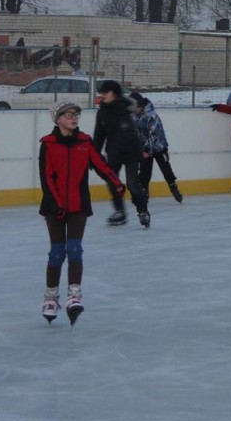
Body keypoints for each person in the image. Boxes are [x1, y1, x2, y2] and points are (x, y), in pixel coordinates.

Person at [39, 101, 125, 325]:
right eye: (68, 114)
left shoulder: (85, 142)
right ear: (57, 119)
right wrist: (56, 203)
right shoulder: (48, 145)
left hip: (78, 205)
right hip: (53, 206)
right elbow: (46, 178)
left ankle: (74, 295)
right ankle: (50, 297)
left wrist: (116, 182)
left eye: (76, 114)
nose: (74, 118)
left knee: (74, 248)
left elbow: (100, 164)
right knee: (57, 251)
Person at [93, 80, 151, 227]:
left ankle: (142, 211)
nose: (102, 95)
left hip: (131, 152)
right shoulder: (102, 112)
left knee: (132, 184)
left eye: (106, 92)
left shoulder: (126, 107)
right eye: (102, 92)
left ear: (115, 93)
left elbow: (135, 107)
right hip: (114, 152)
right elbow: (99, 135)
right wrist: (94, 155)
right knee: (113, 182)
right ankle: (120, 212)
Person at [129, 91, 183, 203]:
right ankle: (144, 193)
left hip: (159, 147)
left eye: (135, 108)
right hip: (144, 148)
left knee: (166, 170)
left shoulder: (150, 115)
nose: (133, 111)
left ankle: (173, 187)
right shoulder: (133, 115)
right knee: (144, 173)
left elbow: (154, 134)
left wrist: (147, 150)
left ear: (141, 106)